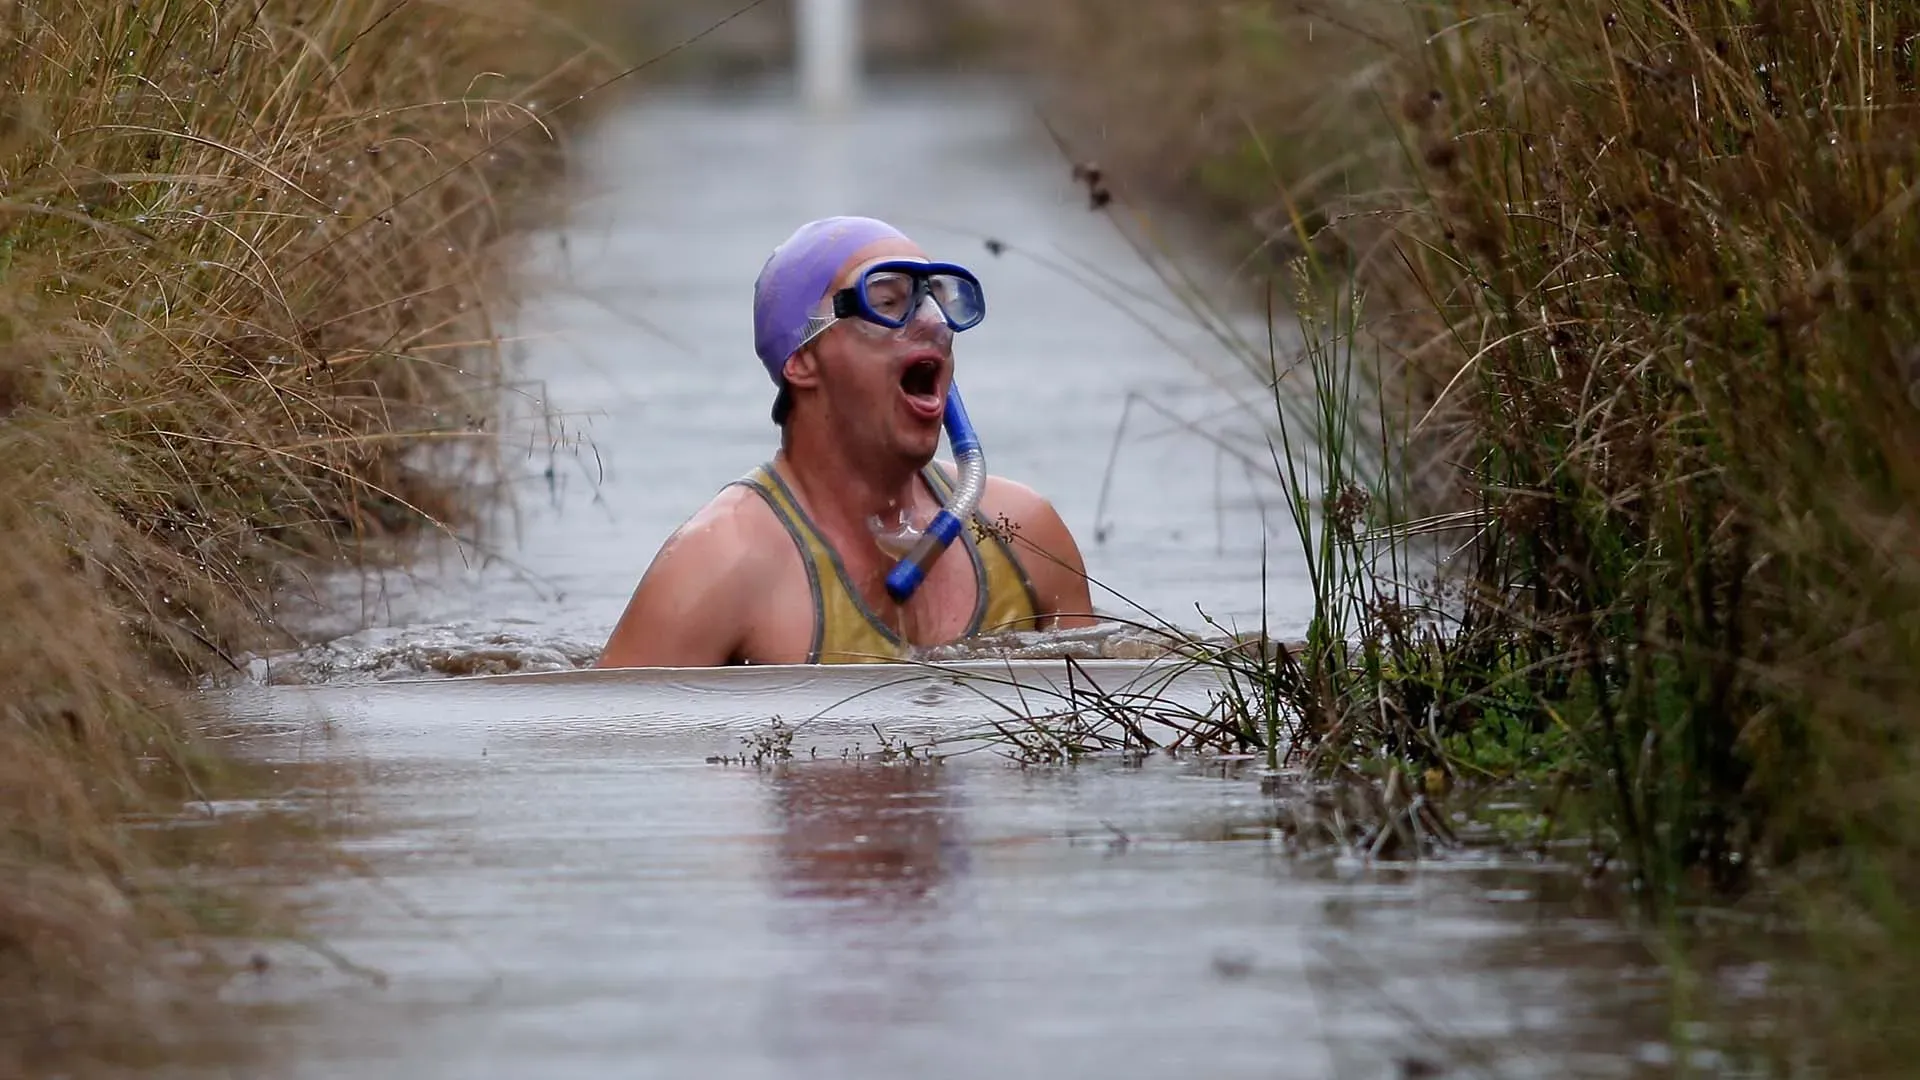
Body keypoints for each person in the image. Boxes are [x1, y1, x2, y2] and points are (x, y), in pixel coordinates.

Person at [595, 216, 1096, 667]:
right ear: (802, 358)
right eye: (887, 302)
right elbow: (612, 747)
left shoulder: (1022, 536)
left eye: (937, 301)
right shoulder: (720, 565)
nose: (934, 325)